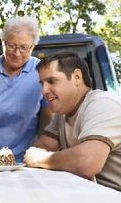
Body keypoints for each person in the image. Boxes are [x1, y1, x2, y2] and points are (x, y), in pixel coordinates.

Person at [23, 52, 121, 191]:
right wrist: (38, 156)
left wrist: (41, 159)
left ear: (76, 77)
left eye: (51, 81)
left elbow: (87, 162)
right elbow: (43, 146)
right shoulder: (62, 113)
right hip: (89, 195)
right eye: (42, 83)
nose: (43, 91)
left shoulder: (103, 104)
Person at [0, 16, 51, 162]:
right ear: (3, 41)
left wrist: (39, 151)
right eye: (11, 45)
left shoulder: (42, 71)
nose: (17, 53)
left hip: (24, 160)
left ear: (33, 47)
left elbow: (47, 117)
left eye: (24, 47)